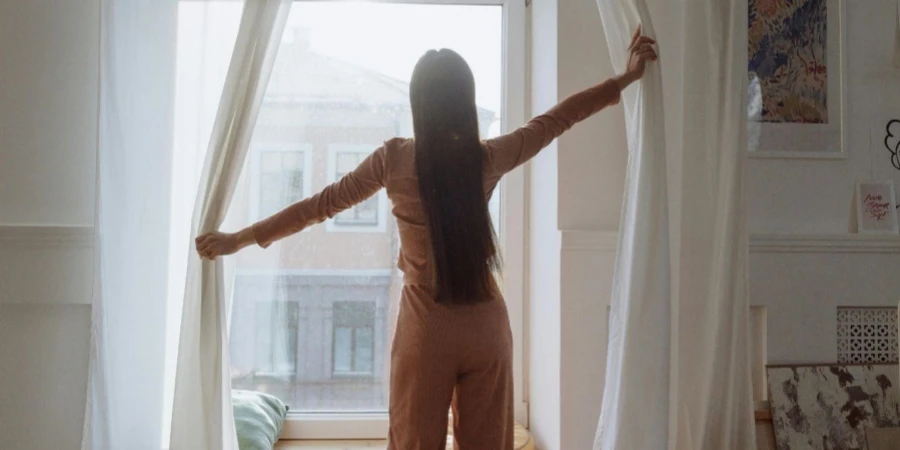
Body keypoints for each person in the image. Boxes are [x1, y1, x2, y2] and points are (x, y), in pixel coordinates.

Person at [196, 26, 656, 450]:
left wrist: (240, 238)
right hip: (486, 329)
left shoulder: (394, 160)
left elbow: (321, 204)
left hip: (425, 332)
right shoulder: (486, 157)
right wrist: (626, 77)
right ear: (464, 102)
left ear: (420, 104)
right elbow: (556, 120)